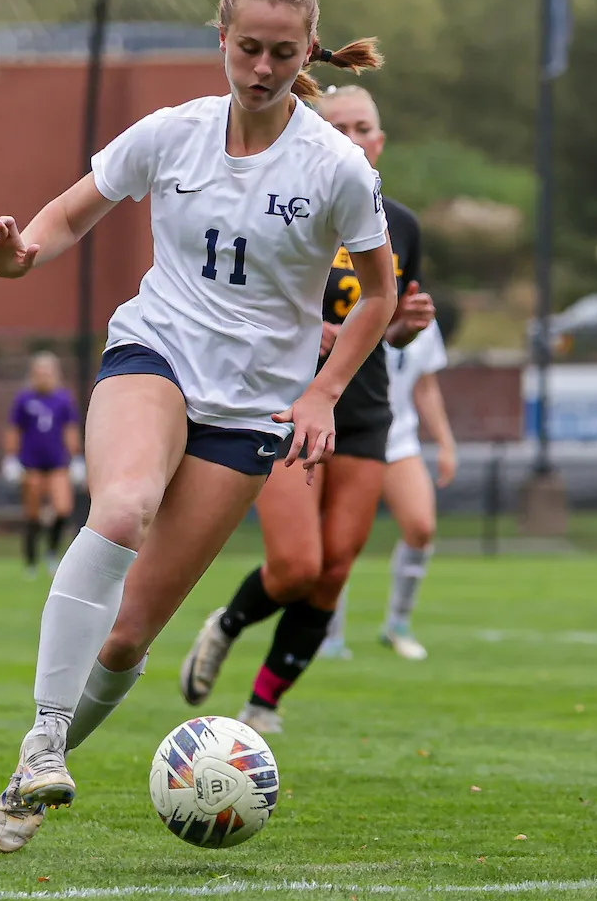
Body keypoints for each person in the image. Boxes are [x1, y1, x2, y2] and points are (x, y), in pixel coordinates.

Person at [0, 0, 400, 853]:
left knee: (129, 638)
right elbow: (69, 213)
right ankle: (48, 739)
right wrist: (21, 256)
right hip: (155, 353)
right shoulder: (172, 134)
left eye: (282, 53)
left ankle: (24, 778)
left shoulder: (334, 168)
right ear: (222, 42)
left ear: (306, 52)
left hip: (249, 413)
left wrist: (322, 392)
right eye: (247, 48)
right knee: (122, 505)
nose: (261, 68)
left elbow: (377, 297)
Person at [180, 85, 434, 734]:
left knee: (335, 570)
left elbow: (385, 319)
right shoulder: (284, 206)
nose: (351, 136)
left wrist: (401, 326)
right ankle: (227, 625)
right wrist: (298, 327)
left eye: (363, 126)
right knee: (297, 564)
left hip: (364, 407)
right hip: (283, 399)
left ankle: (264, 703)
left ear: (379, 143)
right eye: (338, 125)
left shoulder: (399, 224)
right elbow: (239, 291)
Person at [321, 318, 456, 661]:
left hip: (398, 440)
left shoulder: (420, 316)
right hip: (348, 435)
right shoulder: (348, 302)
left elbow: (425, 386)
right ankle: (328, 633)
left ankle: (397, 625)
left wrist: (444, 441)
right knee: (339, 539)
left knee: (421, 527)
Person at [2, 351, 85, 577]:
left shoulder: (64, 400)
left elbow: (70, 430)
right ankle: (30, 562)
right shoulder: (24, 400)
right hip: (31, 464)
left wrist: (76, 458)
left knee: (62, 508)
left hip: (57, 463)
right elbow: (14, 430)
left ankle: (51, 554)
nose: (44, 377)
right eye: (39, 373)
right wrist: (10, 457)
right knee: (33, 513)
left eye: (48, 373)